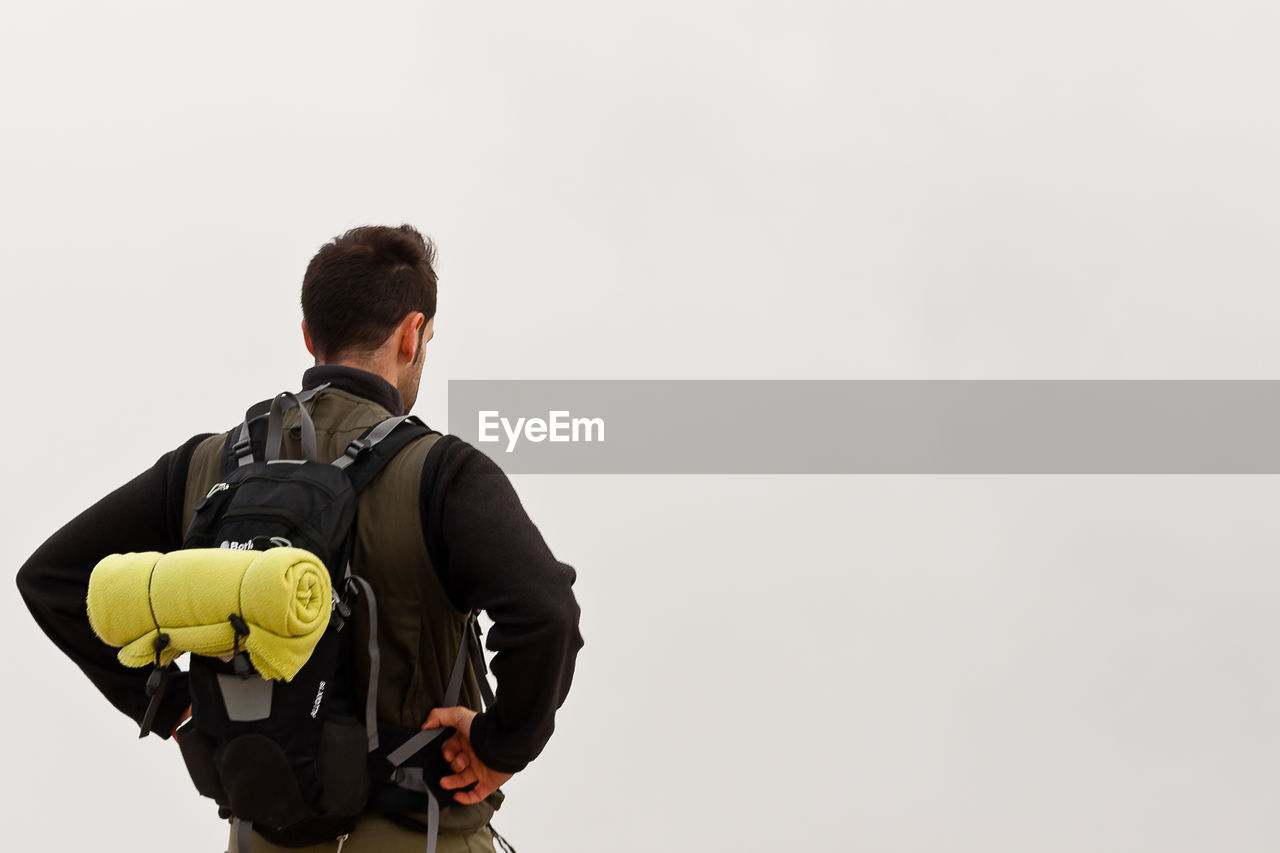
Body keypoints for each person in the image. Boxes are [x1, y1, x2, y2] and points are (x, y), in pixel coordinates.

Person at [15, 224, 584, 852]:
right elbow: (546, 615)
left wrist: (172, 705)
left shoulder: (208, 467)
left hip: (264, 836)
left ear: (309, 335)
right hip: (416, 833)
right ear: (413, 333)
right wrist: (501, 747)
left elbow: (51, 579)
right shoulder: (443, 473)